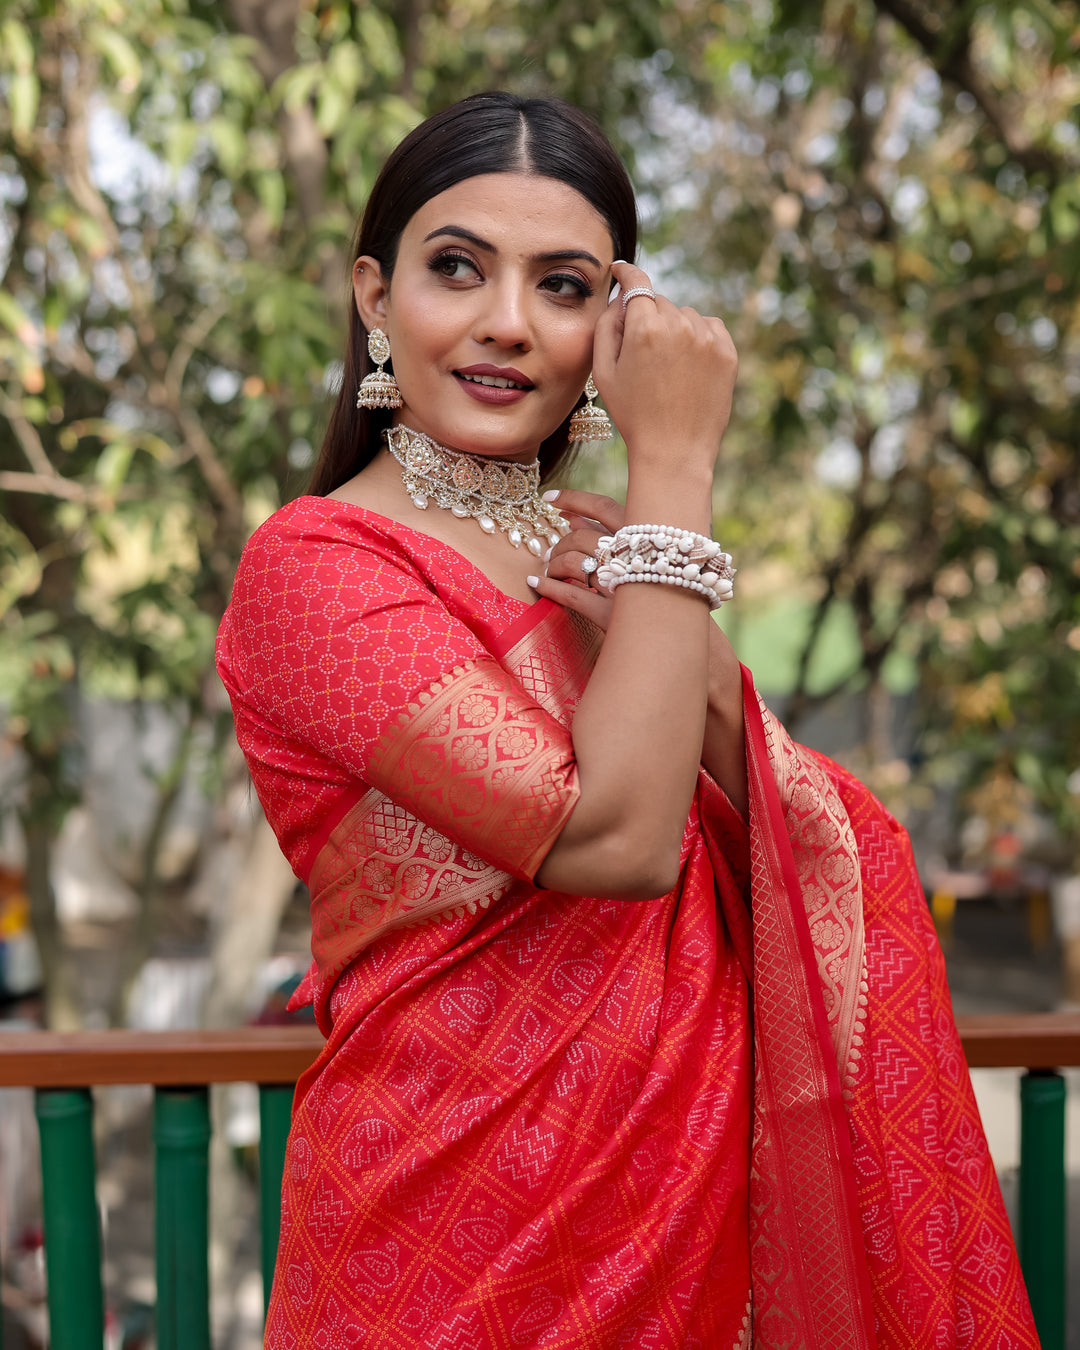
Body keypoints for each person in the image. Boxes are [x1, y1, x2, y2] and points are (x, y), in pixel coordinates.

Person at [216, 92, 1037, 1350]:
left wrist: (673, 607)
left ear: (613, 324)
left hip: (686, 1219)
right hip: (443, 1227)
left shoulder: (617, 558)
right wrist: (678, 473)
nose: (507, 323)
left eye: (563, 286)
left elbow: (819, 846)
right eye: (457, 269)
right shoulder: (316, 566)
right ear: (374, 299)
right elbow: (614, 843)